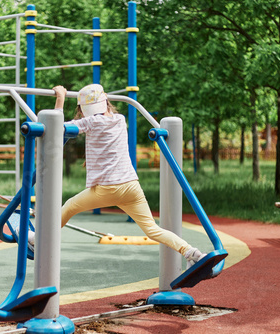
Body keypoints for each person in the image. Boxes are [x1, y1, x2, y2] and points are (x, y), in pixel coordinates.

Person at [46, 83, 205, 268]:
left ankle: (37, 240)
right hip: (131, 186)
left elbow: (54, 128)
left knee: (70, 206)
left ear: (82, 111)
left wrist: (60, 99)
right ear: (107, 103)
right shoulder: (120, 119)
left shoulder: (91, 122)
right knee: (153, 229)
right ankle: (191, 252)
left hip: (108, 188)